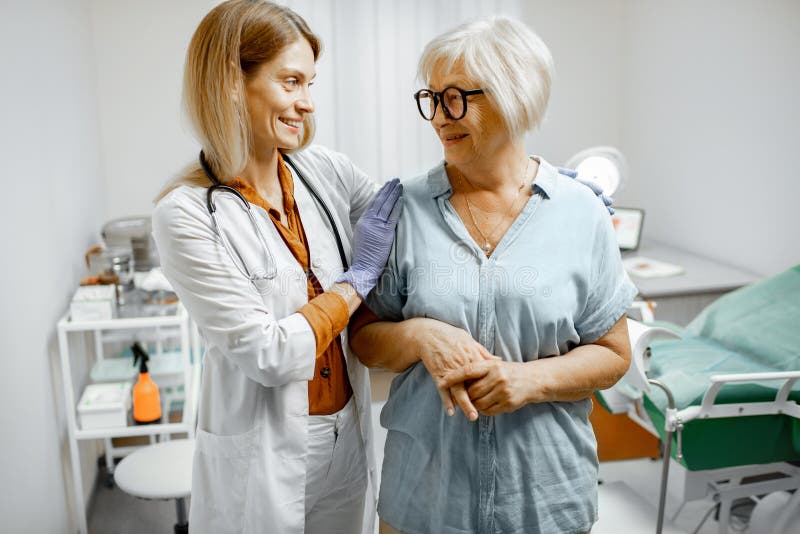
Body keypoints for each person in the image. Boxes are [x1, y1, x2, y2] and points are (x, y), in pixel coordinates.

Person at [349, 16, 638, 534]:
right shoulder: (404, 209)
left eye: (457, 97)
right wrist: (419, 335)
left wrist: (528, 380)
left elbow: (614, 353)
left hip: (544, 500)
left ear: (515, 94)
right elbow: (366, 340)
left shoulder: (580, 211)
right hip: (423, 497)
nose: (440, 116)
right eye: (431, 98)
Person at [151, 1, 402, 533]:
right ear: (230, 84)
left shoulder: (322, 170)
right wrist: (354, 285)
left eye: (310, 84)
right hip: (264, 451)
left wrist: (529, 186)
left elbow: (409, 212)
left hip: (347, 434)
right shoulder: (187, 214)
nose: (307, 103)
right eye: (291, 82)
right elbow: (269, 351)